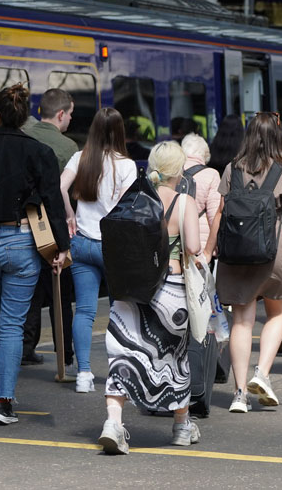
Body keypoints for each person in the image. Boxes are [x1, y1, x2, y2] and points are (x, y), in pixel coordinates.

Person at [205, 112, 282, 411]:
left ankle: (239, 394)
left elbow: (219, 212)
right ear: (276, 137)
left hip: (235, 256)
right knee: (277, 313)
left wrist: (208, 250)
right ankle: (262, 374)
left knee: (242, 321)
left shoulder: (232, 168)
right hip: (272, 255)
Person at [0, 83, 69, 426]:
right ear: (25, 117)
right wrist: (61, 247)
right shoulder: (39, 152)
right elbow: (53, 204)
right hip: (21, 243)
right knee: (12, 324)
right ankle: (4, 403)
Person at [98, 141, 201, 454]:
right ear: (179, 171)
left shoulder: (134, 198)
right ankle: (181, 426)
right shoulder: (184, 202)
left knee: (123, 355)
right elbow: (194, 248)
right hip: (169, 291)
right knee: (174, 357)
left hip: (129, 288)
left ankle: (113, 424)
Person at [59, 107, 137, 393]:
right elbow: (129, 208)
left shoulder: (80, 159)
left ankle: (83, 374)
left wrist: (69, 213)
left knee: (85, 311)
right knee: (119, 311)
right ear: (119, 132)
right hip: (112, 246)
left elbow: (60, 186)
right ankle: (119, 373)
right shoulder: (126, 166)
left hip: (81, 243)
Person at [21, 88, 78, 367]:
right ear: (60, 114)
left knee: (28, 291)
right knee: (61, 294)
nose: (70, 120)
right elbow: (67, 193)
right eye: (69, 115)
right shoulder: (67, 147)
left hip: (22, 225)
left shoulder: (25, 136)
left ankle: (25, 347)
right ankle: (64, 351)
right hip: (52, 228)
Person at [181, 134, 221, 250]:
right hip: (200, 246)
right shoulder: (211, 174)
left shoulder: (172, 172)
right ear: (205, 154)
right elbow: (215, 216)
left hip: (174, 245)